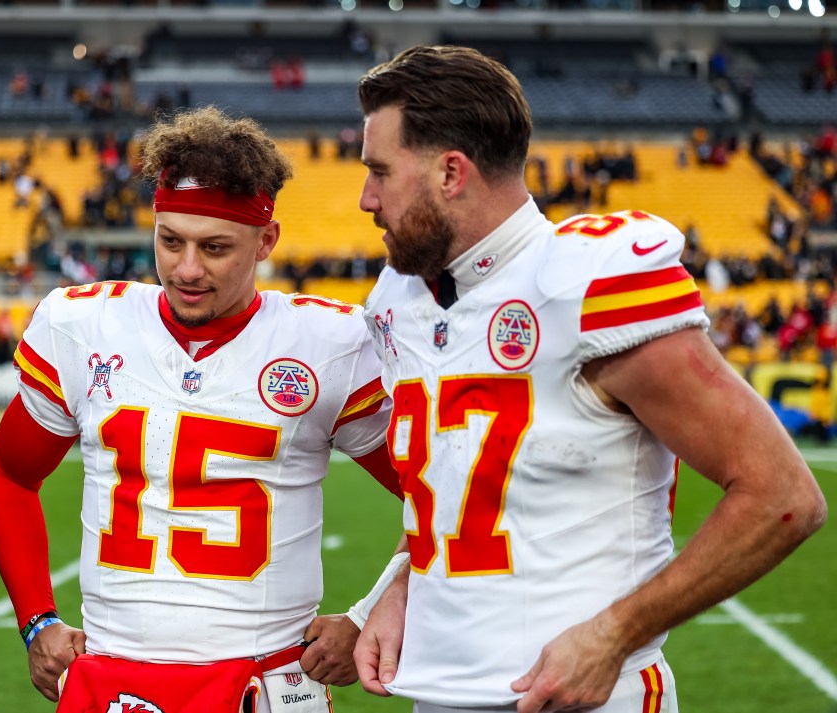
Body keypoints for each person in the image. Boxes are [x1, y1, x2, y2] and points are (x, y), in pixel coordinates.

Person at [352, 45, 827, 713]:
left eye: (380, 171)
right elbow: (461, 483)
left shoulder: (586, 283)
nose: (367, 198)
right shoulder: (402, 296)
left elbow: (783, 495)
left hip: (587, 699)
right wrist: (399, 583)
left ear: (450, 172)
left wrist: (614, 633)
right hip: (439, 694)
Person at [0, 106, 404, 713]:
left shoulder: (330, 345)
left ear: (266, 241)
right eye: (170, 240)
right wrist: (35, 620)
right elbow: (10, 473)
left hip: (268, 678)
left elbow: (439, 495)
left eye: (215, 248)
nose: (186, 269)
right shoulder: (82, 325)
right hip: (112, 677)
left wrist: (369, 612)